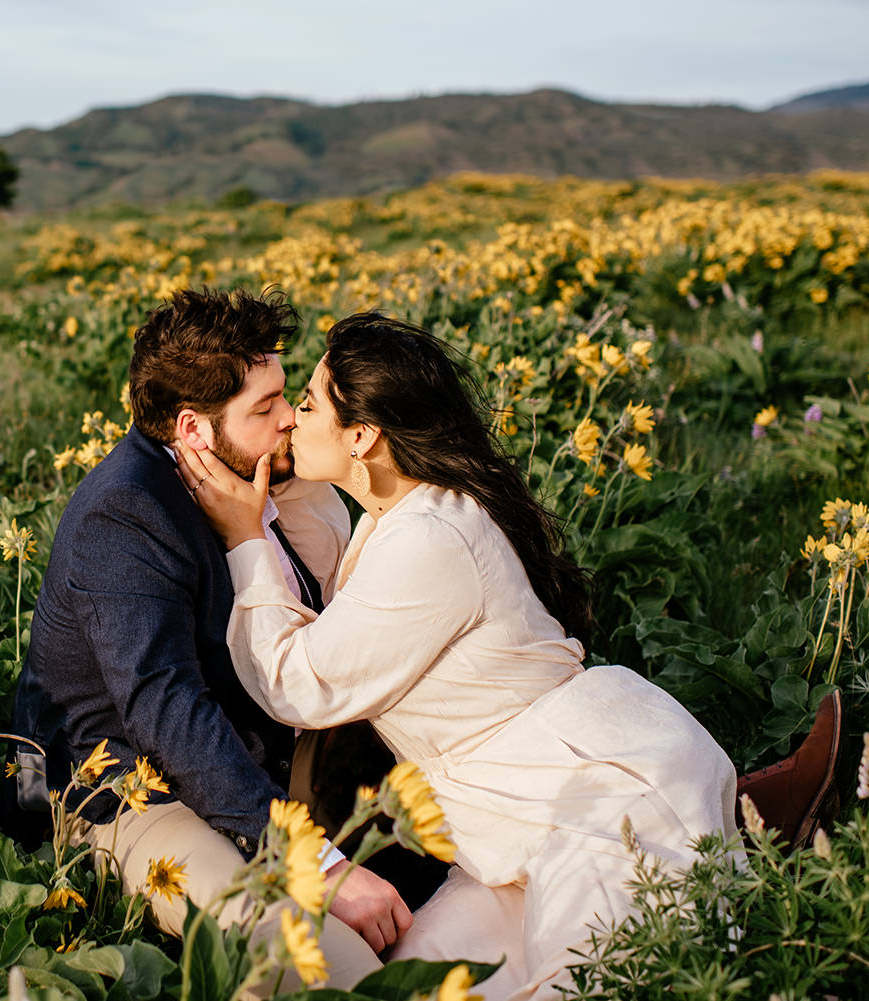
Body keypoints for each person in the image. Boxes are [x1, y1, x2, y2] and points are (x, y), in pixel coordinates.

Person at [173, 311, 740, 1001]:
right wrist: (272, 490)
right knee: (413, 987)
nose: (290, 418)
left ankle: (761, 824)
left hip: (596, 800)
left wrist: (241, 537)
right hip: (503, 833)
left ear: (363, 436)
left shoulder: (431, 538)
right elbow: (325, 584)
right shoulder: (394, 512)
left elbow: (301, 680)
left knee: (597, 983)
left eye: (307, 402)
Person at [9, 288, 412, 991]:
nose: (291, 418)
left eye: (286, 395)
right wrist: (317, 866)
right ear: (193, 428)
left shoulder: (245, 478)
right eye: (266, 407)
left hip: (241, 758)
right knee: (326, 966)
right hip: (128, 796)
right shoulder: (126, 513)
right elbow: (165, 710)